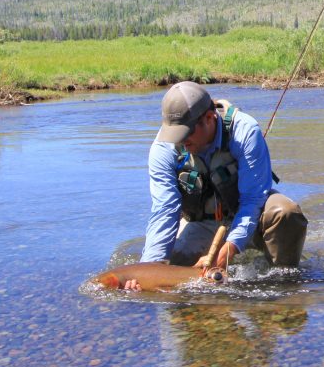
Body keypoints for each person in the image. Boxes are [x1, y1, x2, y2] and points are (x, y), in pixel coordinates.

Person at [126, 81, 307, 290]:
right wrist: (148, 270)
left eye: (186, 133)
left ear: (209, 119)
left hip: (251, 215)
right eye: (176, 134)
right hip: (201, 223)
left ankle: (284, 285)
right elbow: (165, 210)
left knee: (285, 213)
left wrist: (230, 248)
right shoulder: (164, 147)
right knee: (174, 276)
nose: (181, 141)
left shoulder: (245, 131)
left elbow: (253, 200)